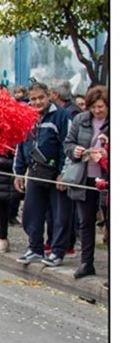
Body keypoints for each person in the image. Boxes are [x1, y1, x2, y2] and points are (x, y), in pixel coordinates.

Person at [14, 82, 74, 267]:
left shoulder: (62, 116)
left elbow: (68, 145)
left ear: (49, 96)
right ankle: (35, 248)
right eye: (33, 99)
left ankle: (57, 251)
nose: (37, 102)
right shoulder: (26, 118)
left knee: (59, 215)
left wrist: (64, 173)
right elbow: (20, 145)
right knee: (31, 213)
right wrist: (18, 172)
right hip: (34, 172)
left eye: (41, 98)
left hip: (56, 174)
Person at [63, 85, 109, 279]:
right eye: (93, 107)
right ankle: (86, 262)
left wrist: (107, 153)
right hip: (85, 176)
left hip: (107, 177)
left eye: (101, 107)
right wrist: (75, 151)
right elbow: (68, 143)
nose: (97, 111)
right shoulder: (81, 120)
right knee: (85, 221)